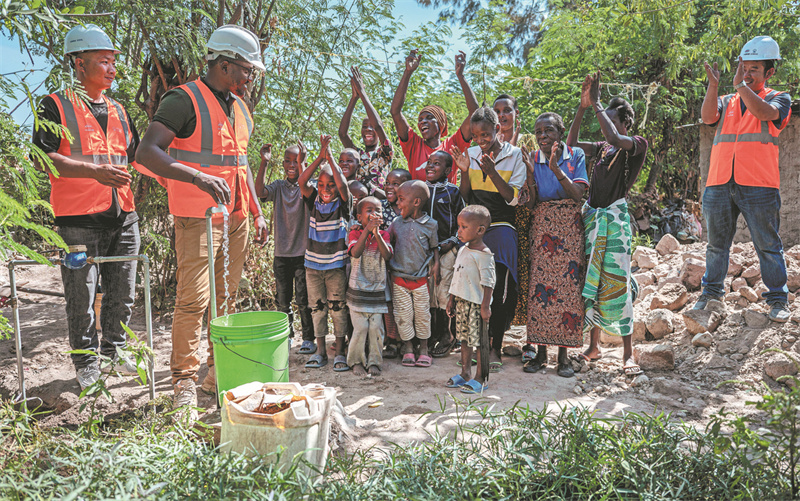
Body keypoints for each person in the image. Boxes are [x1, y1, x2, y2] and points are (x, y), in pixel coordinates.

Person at [136, 25, 269, 412]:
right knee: (193, 301)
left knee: (225, 299)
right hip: (196, 217)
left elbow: (239, 164)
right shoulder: (183, 100)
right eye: (245, 70)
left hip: (237, 217)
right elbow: (147, 152)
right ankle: (184, 382)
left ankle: (218, 372)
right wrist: (197, 177)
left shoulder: (240, 106)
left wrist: (257, 212)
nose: (249, 77)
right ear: (224, 65)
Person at [33, 24, 145, 390]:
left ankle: (114, 352)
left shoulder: (118, 109)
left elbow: (137, 158)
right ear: (79, 64)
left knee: (122, 291)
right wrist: (95, 172)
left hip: (123, 217)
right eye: (104, 61)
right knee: (80, 295)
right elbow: (42, 159)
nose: (112, 69)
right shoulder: (54, 105)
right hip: (78, 220)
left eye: (114, 61)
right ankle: (86, 361)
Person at [694, 36, 792, 322]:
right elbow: (708, 117)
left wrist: (740, 86)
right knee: (716, 245)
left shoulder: (779, 98)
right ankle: (711, 294)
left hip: (759, 184)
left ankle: (777, 300)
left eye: (754, 70)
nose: (747, 75)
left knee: (768, 245)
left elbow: (764, 113)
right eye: (744, 68)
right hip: (719, 183)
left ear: (769, 72)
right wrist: (714, 86)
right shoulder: (727, 100)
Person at [566, 71, 649, 376]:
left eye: (612, 118)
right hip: (594, 219)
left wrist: (598, 101)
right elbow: (572, 144)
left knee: (617, 281)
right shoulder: (603, 148)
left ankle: (627, 353)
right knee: (594, 279)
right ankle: (593, 345)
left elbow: (614, 137)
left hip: (615, 222)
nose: (607, 124)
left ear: (625, 121)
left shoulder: (636, 143)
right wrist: (582, 106)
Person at [452, 107, 526, 373]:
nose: (480, 140)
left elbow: (513, 198)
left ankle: (495, 345)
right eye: (476, 136)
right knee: (470, 287)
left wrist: (492, 172)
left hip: (502, 224)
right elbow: (465, 197)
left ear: (498, 129)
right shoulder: (470, 154)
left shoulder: (514, 155)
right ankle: (475, 343)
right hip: (475, 226)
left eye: (485, 134)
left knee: (496, 288)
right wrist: (463, 171)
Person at [519, 113, 588, 378]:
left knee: (568, 291)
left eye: (548, 130)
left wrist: (556, 168)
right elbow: (532, 201)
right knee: (541, 289)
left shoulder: (575, 155)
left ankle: (564, 356)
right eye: (538, 132)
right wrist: (529, 173)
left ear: (560, 132)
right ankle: (540, 353)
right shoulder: (533, 159)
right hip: (544, 226)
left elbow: (579, 194)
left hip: (569, 227)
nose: (542, 136)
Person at [298, 135, 353, 370]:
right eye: (321, 185)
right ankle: (321, 352)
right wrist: (320, 156)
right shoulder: (313, 201)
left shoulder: (343, 203)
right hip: (312, 266)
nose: (325, 189)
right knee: (317, 309)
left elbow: (343, 186)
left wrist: (329, 155)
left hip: (335, 266)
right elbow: (302, 182)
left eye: (329, 185)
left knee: (338, 308)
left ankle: (340, 352)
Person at [254, 142, 315, 355]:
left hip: (303, 253)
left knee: (303, 299)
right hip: (281, 253)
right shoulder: (279, 187)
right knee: (283, 300)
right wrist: (264, 162)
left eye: (297, 161)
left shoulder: (308, 186)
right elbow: (259, 192)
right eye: (288, 161)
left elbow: (306, 185)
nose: (292, 165)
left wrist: (304, 163)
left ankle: (308, 338)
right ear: (282, 164)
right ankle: (288, 336)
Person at [391, 50, 479, 183]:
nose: (422, 122)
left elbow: (474, 112)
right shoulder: (413, 145)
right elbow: (395, 112)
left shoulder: (452, 145)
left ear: (440, 123)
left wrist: (461, 76)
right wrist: (407, 73)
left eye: (428, 117)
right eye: (420, 120)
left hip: (446, 203)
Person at [388, 180, 440, 367]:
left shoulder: (431, 224)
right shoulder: (396, 223)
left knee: (422, 315)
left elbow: (434, 248)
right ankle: (408, 348)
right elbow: (387, 241)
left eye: (401, 199)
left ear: (416, 202)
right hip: (399, 278)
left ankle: (424, 349)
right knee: (403, 315)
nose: (398, 204)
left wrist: (437, 265)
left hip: (421, 279)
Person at [445, 205, 496, 394]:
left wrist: (485, 307)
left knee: (481, 342)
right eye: (459, 226)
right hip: (462, 302)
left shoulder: (484, 255)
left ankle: (481, 378)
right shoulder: (463, 250)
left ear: (480, 230)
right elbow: (456, 276)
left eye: (464, 227)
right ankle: (465, 373)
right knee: (464, 339)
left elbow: (489, 282)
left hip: (477, 304)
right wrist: (452, 299)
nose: (459, 231)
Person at [424, 151, 466, 358]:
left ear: (448, 170)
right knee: (430, 294)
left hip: (447, 249)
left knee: (444, 292)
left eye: (436, 164)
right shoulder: (420, 189)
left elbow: (463, 222)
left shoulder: (452, 192)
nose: (430, 166)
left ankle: (448, 335)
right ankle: (432, 335)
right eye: (429, 163)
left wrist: (451, 244)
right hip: (425, 252)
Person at [346, 197, 393, 377]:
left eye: (378, 210)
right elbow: (356, 252)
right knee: (360, 329)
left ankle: (374, 362)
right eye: (369, 210)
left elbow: (387, 256)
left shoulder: (385, 235)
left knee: (376, 329)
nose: (374, 213)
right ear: (359, 217)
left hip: (377, 290)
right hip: (357, 290)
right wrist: (367, 230)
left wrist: (377, 233)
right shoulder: (355, 234)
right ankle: (356, 361)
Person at [339, 66, 393, 195]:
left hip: (378, 202)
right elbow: (342, 134)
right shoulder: (356, 154)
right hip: (357, 201)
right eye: (364, 127)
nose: (368, 129)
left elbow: (379, 126)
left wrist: (362, 93)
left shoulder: (385, 153)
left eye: (371, 127)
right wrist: (354, 98)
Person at [380, 168, 410, 358]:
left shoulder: (411, 209)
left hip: (406, 265)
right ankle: (391, 340)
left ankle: (406, 341)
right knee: (388, 304)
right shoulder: (380, 206)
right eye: (388, 183)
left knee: (405, 305)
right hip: (384, 265)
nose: (390, 187)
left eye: (396, 184)